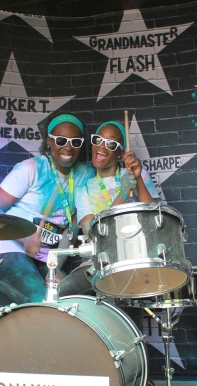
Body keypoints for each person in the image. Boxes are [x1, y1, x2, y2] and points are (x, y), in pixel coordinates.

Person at [0, 113, 94, 304]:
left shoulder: (84, 175)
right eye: (61, 140)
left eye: (75, 142)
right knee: (41, 302)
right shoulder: (31, 168)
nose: (68, 147)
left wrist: (56, 267)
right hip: (7, 244)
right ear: (49, 141)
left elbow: (70, 231)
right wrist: (24, 237)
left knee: (64, 301)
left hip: (44, 255)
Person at [58, 120, 161, 299]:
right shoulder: (85, 189)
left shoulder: (135, 173)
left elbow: (155, 220)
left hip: (136, 257)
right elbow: (92, 233)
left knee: (122, 295)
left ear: (120, 153)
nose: (101, 147)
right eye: (98, 140)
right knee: (64, 292)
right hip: (100, 261)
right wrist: (122, 195)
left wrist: (138, 180)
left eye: (110, 144)